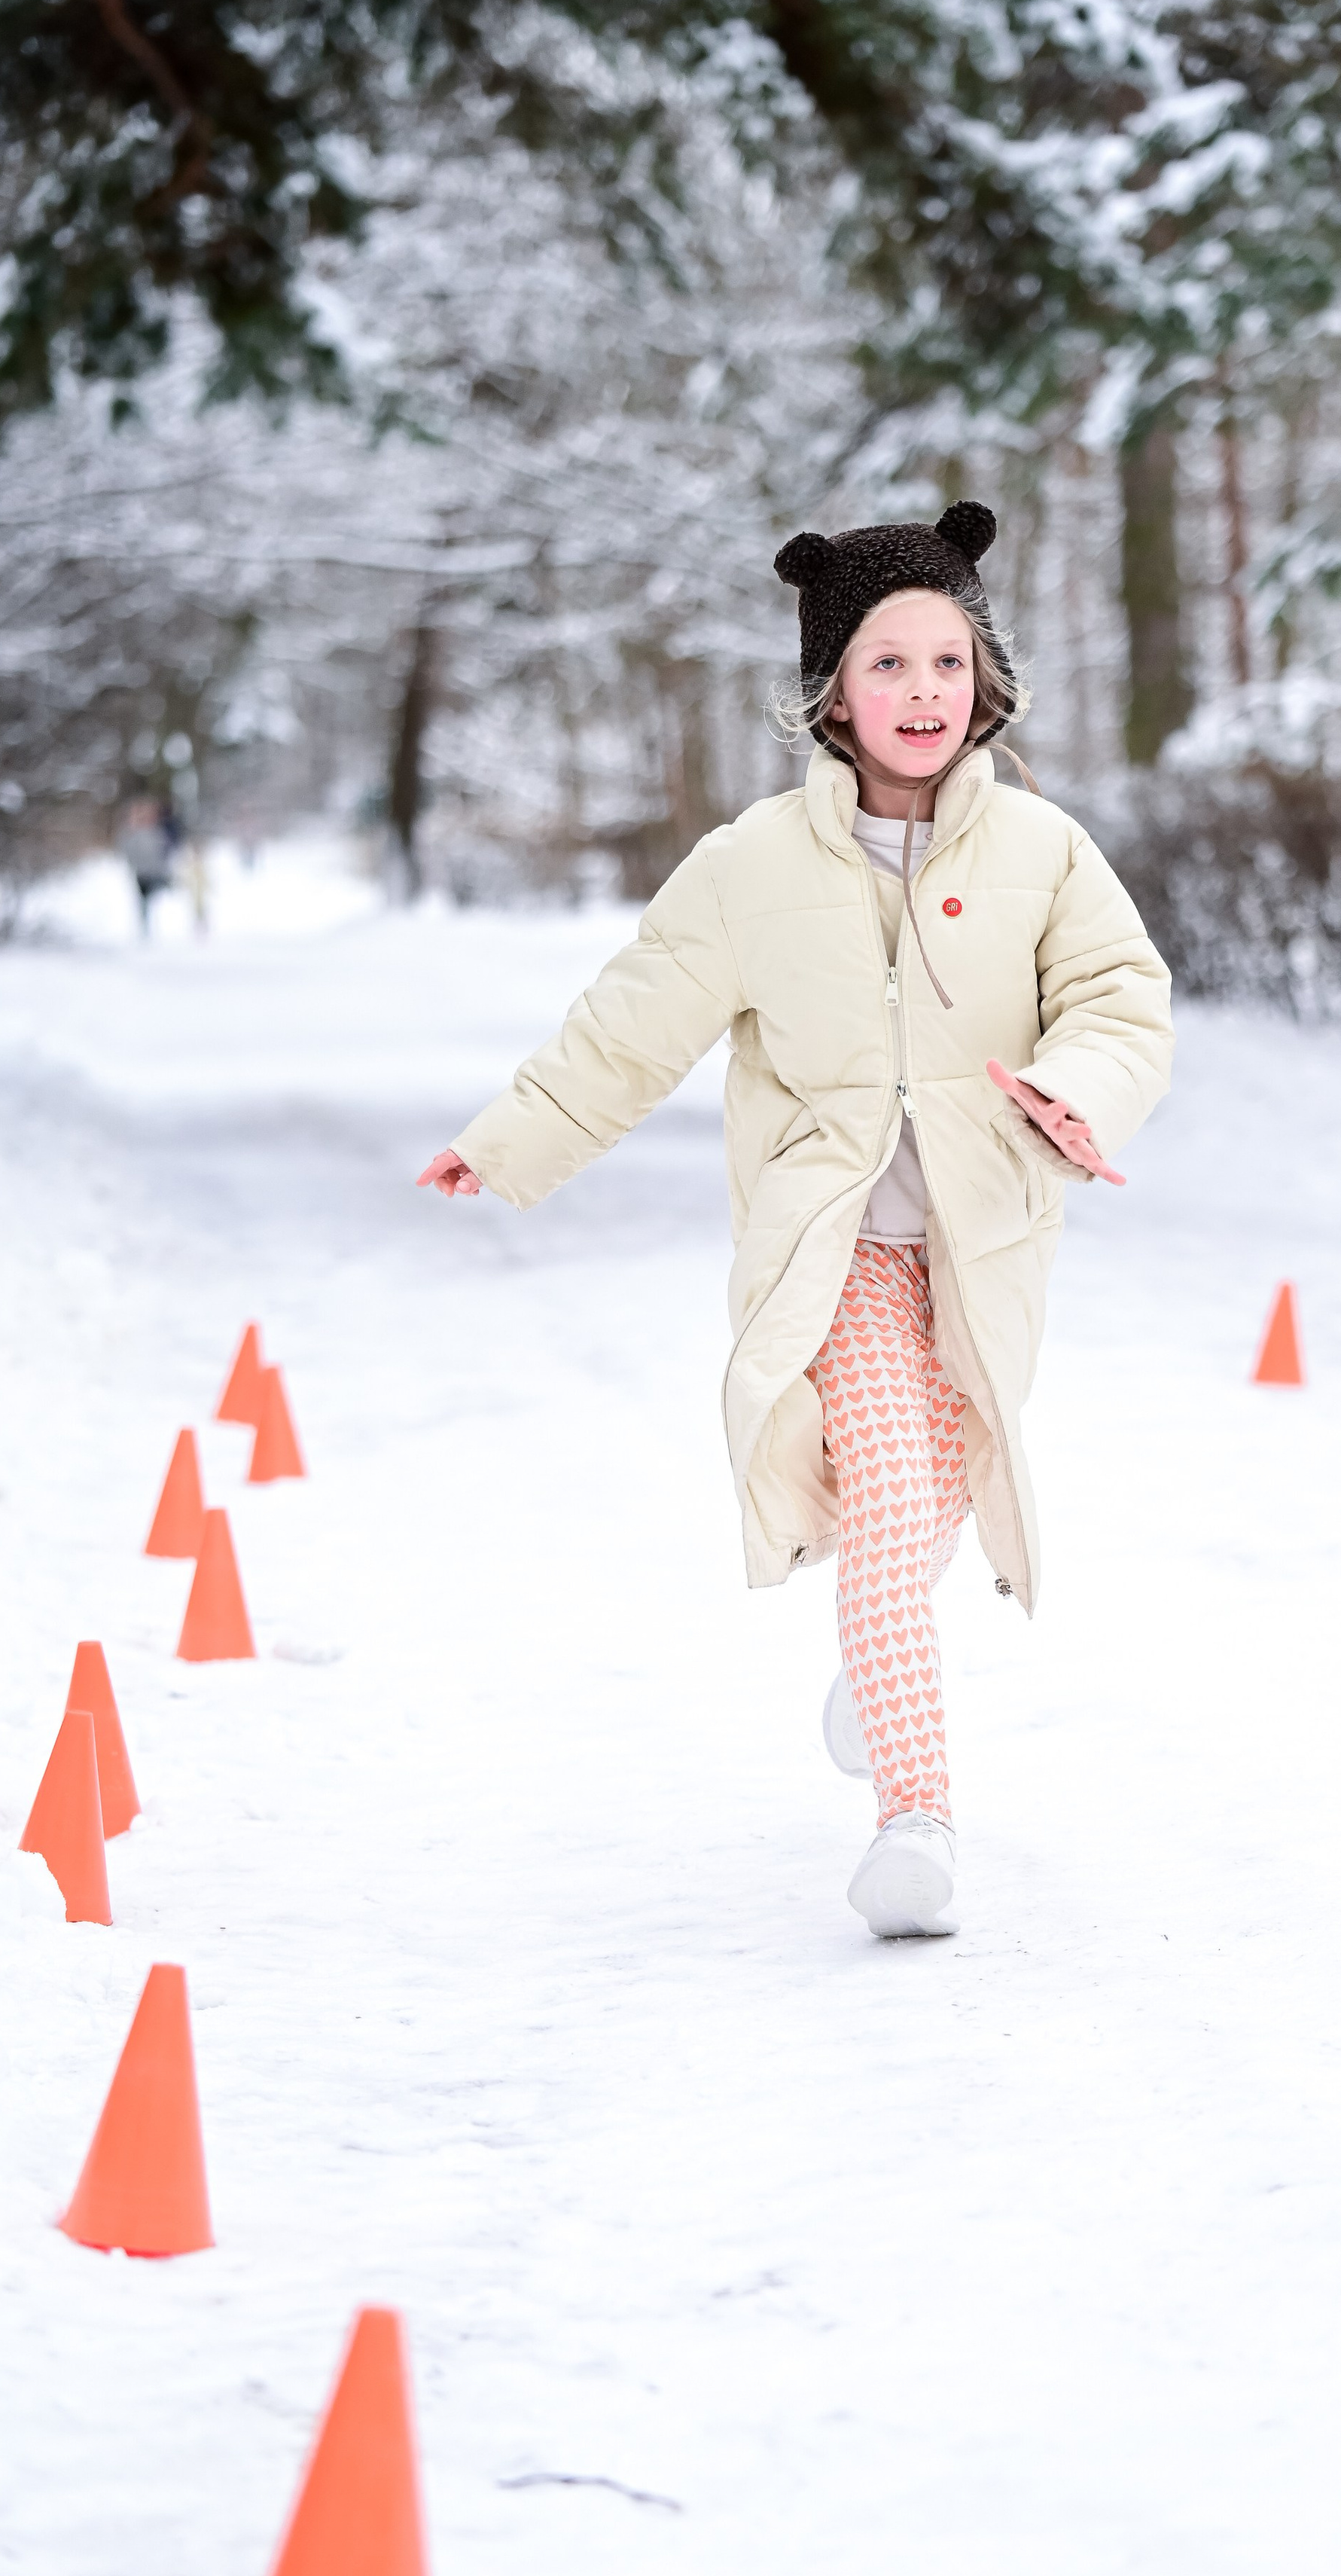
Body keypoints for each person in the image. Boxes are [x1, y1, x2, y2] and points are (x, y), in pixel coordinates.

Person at [419, 502, 1172, 1936]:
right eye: (888, 665)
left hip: (981, 1245)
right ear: (832, 688)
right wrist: (510, 1140)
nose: (922, 694)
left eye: (947, 662)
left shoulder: (1045, 850)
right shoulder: (751, 867)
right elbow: (628, 1027)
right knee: (891, 1511)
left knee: (938, 1499)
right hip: (834, 1253)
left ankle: (874, 1658)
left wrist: (1079, 1091)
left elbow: (1122, 1000)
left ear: (984, 677)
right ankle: (919, 1822)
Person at [118, 797, 175, 937]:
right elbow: (126, 850)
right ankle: (146, 927)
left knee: (158, 899)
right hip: (142, 873)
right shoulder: (132, 834)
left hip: (155, 872)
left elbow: (165, 851)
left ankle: (160, 925)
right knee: (144, 901)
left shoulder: (157, 832)